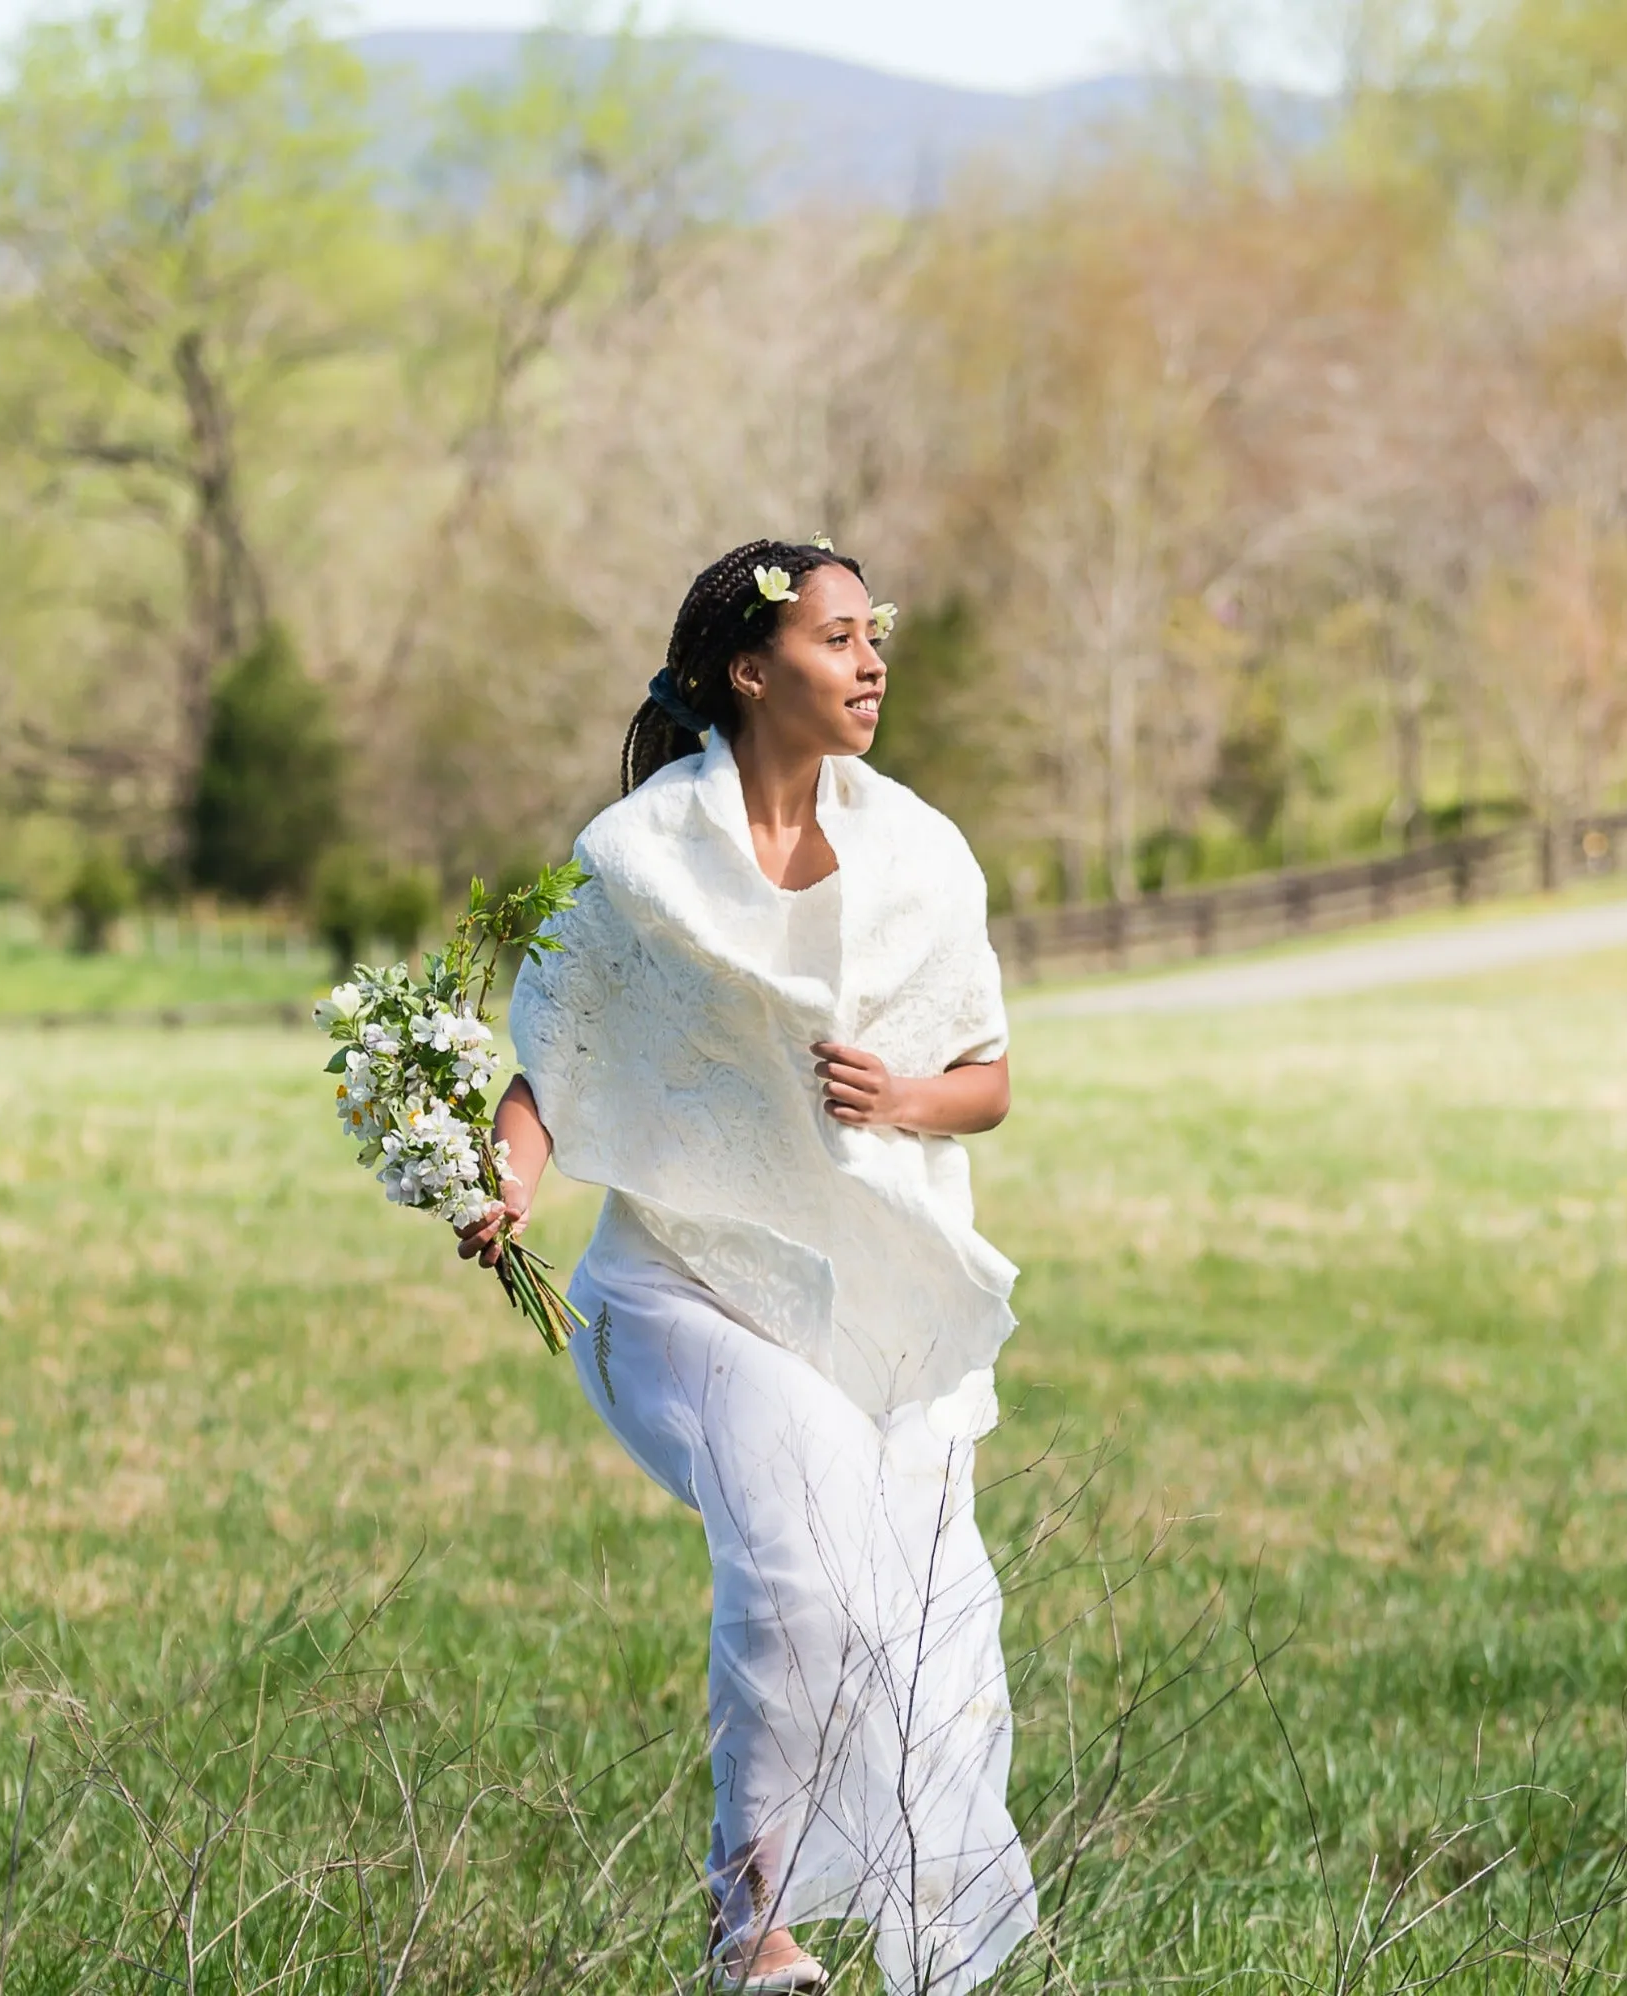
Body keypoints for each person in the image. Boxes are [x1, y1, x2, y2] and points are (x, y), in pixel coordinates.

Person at [459, 539, 1037, 1996]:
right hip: (683, 1292)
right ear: (748, 670)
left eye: (876, 633)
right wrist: (509, 1184)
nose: (871, 661)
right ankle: (750, 1928)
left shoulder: (920, 854)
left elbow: (989, 1078)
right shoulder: (639, 860)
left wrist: (899, 1095)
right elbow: (555, 1065)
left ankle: (914, 1943)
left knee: (919, 1625)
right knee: (798, 1579)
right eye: (840, 638)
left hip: (867, 1312)